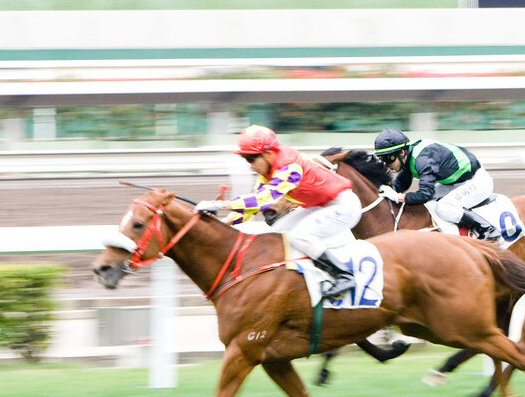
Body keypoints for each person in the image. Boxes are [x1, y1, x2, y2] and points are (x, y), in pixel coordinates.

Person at [193, 125, 362, 297]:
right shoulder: (268, 172)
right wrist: (225, 222)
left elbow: (263, 200)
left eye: (251, 159)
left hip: (343, 206)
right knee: (278, 232)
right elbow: (253, 204)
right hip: (321, 206)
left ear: (268, 154)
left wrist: (220, 205)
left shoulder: (291, 168)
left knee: (299, 236)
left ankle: (344, 275)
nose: (250, 166)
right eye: (246, 159)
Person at [371, 127, 499, 239]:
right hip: (455, 182)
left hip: (477, 181)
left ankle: (486, 228)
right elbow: (401, 184)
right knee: (429, 205)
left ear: (401, 152)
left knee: (444, 207)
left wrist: (397, 197)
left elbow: (424, 194)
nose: (387, 164)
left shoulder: (423, 160)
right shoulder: (408, 157)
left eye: (389, 158)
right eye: (382, 159)